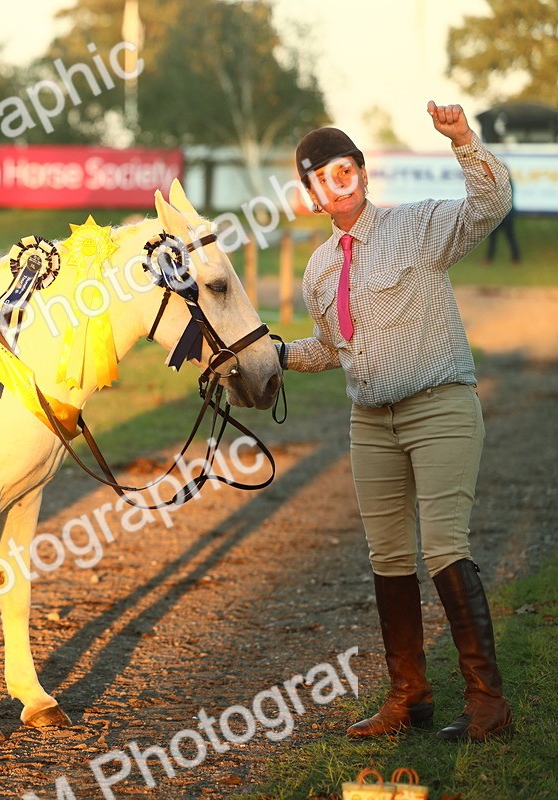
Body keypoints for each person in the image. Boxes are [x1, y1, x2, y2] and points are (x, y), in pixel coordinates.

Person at [278, 101, 513, 742]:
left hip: (439, 406)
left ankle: (488, 703)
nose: (336, 183)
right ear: (311, 194)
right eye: (319, 178)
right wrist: (273, 357)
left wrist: (462, 139)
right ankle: (410, 697)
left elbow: (490, 206)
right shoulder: (320, 268)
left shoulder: (417, 228)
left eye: (343, 169)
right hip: (369, 422)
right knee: (388, 556)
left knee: (442, 545)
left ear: (361, 171)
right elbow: (331, 347)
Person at [483, 167, 521, 265]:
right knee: (494, 237)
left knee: (509, 236)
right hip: (499, 214)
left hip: (506, 214)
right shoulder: (503, 183)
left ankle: (515, 259)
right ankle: (489, 259)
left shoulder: (505, 184)